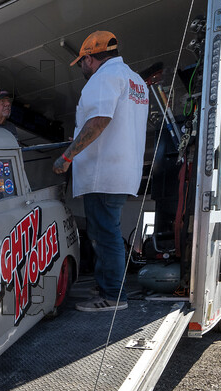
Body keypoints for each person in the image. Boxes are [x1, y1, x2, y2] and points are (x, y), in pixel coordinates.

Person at [53, 31, 148, 313]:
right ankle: (108, 284)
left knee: (104, 234)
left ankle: (112, 296)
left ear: (90, 58)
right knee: (107, 231)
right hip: (121, 169)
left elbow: (99, 120)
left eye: (82, 61)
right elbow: (112, 122)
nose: (82, 67)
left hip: (103, 172)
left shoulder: (103, 78)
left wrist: (67, 156)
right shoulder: (136, 81)